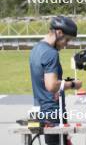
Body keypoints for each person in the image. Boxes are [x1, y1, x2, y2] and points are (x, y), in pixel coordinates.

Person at [29, 16, 82, 145]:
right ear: (59, 33)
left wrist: (62, 81)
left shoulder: (36, 49)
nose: (66, 44)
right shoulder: (51, 53)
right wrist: (73, 84)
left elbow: (45, 80)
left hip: (43, 109)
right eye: (67, 40)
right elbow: (51, 85)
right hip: (53, 111)